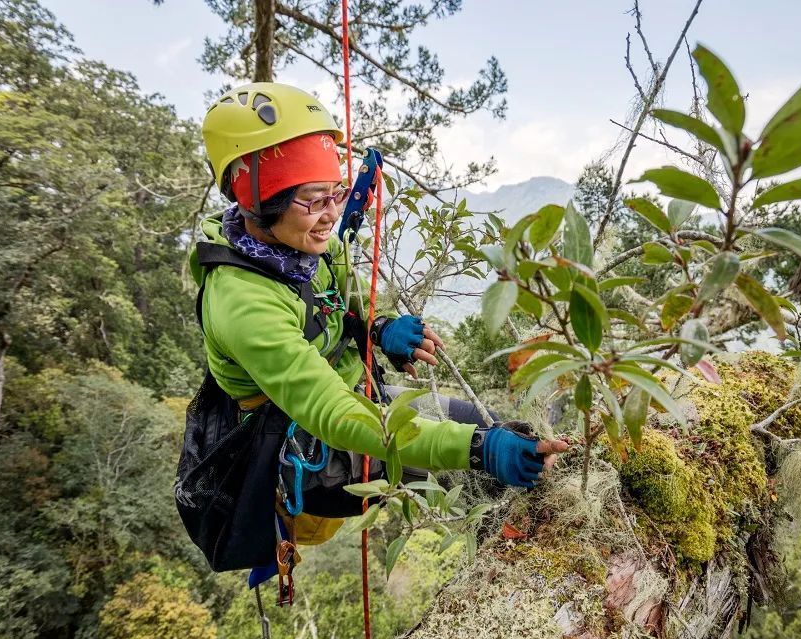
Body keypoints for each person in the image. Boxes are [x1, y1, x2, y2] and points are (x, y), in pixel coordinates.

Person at [190, 82, 568, 550]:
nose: (331, 215)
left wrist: (378, 329)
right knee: (479, 467)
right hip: (315, 452)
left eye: (336, 194)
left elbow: (340, 306)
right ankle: (519, 568)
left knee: (494, 424)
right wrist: (477, 450)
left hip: (365, 396)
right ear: (256, 201)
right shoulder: (242, 303)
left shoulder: (304, 245)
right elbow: (333, 413)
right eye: (313, 200)